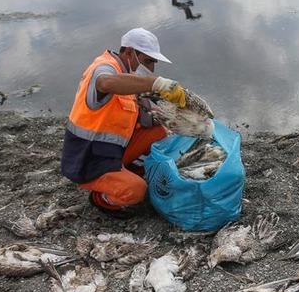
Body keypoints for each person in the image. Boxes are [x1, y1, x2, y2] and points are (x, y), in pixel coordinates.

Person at [60, 28, 208, 217]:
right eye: (147, 61)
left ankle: (126, 172)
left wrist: (175, 117)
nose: (151, 69)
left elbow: (145, 114)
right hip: (88, 159)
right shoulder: (105, 67)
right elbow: (105, 83)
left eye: (153, 63)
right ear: (129, 52)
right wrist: (157, 84)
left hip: (110, 151)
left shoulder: (128, 76)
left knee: (159, 132)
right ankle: (101, 199)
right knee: (137, 191)